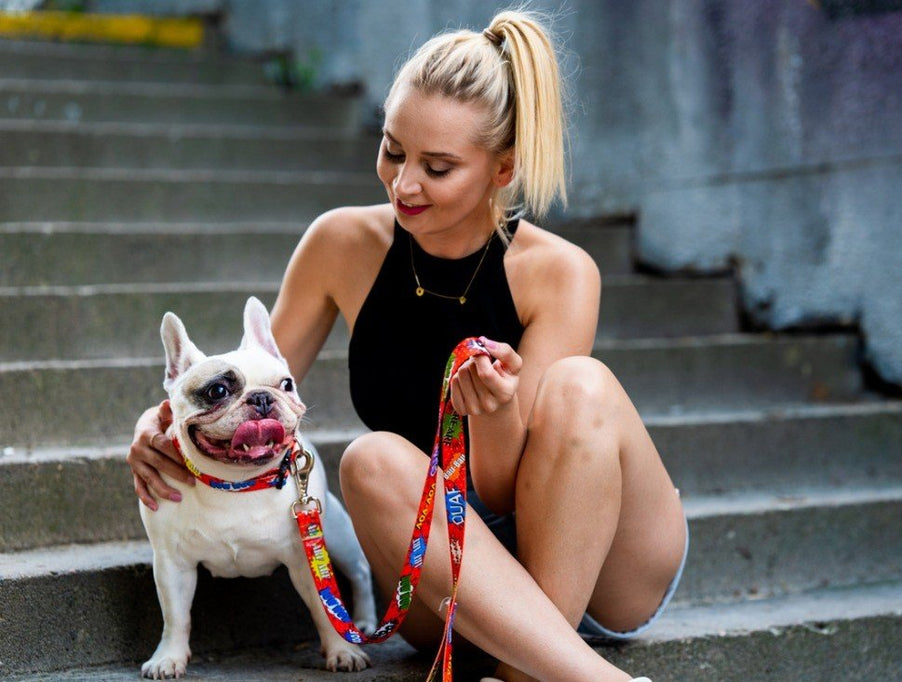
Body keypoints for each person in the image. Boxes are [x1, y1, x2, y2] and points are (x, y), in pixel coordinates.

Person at [127, 9, 687, 682]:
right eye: (393, 149)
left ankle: (540, 669)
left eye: (439, 166)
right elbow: (257, 389)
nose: (404, 183)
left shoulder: (558, 273)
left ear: (502, 168)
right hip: (447, 574)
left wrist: (495, 411)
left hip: (590, 562)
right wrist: (162, 423)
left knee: (581, 386)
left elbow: (513, 491)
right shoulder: (341, 244)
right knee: (369, 461)